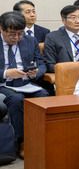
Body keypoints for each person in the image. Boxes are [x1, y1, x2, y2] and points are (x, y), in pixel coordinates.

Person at [0, 12, 48, 159]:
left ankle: (39, 139)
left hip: (26, 83)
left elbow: (41, 63)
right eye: (12, 34)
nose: (17, 38)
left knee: (43, 95)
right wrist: (7, 73)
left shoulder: (30, 40)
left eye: (20, 34)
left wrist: (36, 73)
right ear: (1, 29)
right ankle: (20, 142)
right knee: (16, 100)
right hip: (3, 84)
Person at [43, 5, 79, 73]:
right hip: (67, 75)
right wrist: (74, 69)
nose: (78, 21)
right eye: (73, 18)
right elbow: (50, 65)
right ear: (63, 20)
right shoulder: (53, 37)